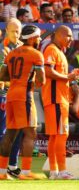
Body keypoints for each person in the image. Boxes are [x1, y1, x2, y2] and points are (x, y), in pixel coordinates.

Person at [0, 25, 45, 180]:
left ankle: (1, 173)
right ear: (32, 38)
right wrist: (32, 79)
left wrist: (17, 78)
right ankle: (25, 172)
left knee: (10, 133)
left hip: (11, 94)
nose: (39, 39)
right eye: (38, 37)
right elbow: (42, 79)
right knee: (30, 132)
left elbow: (2, 76)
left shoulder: (11, 54)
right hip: (24, 95)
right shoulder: (36, 54)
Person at [42, 25, 79, 180]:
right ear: (58, 35)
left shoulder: (59, 52)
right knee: (60, 134)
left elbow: (58, 74)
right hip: (56, 99)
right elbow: (48, 71)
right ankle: (62, 171)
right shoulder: (52, 49)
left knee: (54, 136)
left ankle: (54, 171)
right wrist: (67, 78)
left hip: (59, 98)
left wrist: (71, 75)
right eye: (68, 35)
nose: (71, 39)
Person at [0, 18, 24, 178]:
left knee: (19, 130)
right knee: (4, 132)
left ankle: (12, 165)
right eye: (13, 31)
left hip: (19, 95)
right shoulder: (3, 49)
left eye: (18, 31)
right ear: (6, 31)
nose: (16, 34)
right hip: (4, 95)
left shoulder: (23, 47)